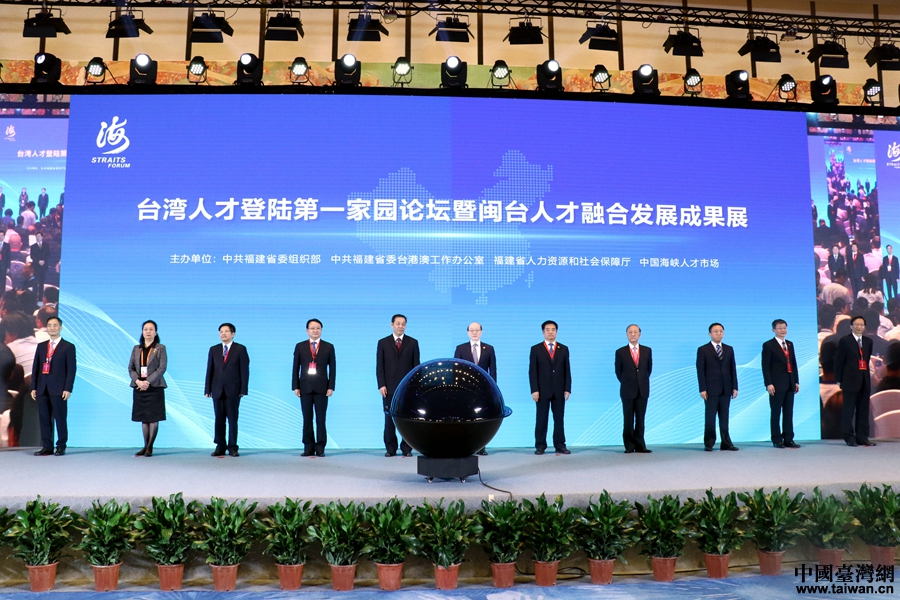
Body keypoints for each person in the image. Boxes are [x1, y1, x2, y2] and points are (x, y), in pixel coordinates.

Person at [30, 316, 75, 456]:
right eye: (49, 325)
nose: (52, 328)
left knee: (60, 418)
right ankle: (47, 446)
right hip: (42, 388)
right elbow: (36, 368)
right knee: (44, 419)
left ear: (60, 328)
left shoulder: (68, 347)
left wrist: (68, 388)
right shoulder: (41, 346)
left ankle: (61, 445)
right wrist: (33, 387)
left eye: (55, 325)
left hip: (59, 389)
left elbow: (71, 370)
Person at [376, 314, 419, 457]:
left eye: (403, 324)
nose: (401, 326)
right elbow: (380, 366)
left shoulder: (413, 343)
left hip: (407, 389)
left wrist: (414, 387)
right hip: (388, 388)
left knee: (407, 419)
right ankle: (390, 448)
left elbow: (416, 367)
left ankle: (406, 448)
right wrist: (381, 384)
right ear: (392, 325)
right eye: (398, 323)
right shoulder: (383, 343)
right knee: (389, 420)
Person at [292, 319, 336, 458]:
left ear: (321, 330)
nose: (315, 330)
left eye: (318, 328)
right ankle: (308, 447)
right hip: (304, 387)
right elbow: (295, 367)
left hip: (322, 388)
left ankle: (320, 447)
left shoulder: (328, 347)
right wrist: (295, 386)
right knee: (307, 418)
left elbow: (333, 369)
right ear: (307, 331)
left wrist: (331, 387)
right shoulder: (300, 346)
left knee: (321, 419)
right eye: (312, 328)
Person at [204, 323, 249, 457]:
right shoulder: (214, 349)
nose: (223, 334)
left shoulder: (240, 349)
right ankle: (220, 446)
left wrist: (243, 389)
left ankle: (233, 447)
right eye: (221, 331)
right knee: (219, 419)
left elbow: (244, 371)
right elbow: (210, 370)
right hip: (217, 389)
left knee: (232, 420)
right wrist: (207, 389)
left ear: (233, 334)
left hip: (234, 390)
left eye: (226, 331)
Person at [453, 321, 497, 456]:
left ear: (481, 332)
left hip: (483, 390)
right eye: (471, 330)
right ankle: (464, 445)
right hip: (465, 390)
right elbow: (455, 370)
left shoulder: (489, 349)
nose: (474, 333)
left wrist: (493, 388)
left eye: (477, 330)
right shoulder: (460, 348)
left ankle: (481, 446)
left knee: (481, 418)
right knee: (465, 418)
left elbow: (493, 370)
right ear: (467, 333)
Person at [529, 320, 571, 455]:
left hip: (559, 390)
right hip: (542, 391)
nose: (550, 332)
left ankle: (560, 445)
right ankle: (540, 445)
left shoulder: (563, 349)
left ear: (556, 332)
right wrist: (534, 390)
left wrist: (567, 388)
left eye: (553, 329)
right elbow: (532, 371)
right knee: (541, 419)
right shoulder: (536, 349)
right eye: (547, 330)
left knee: (559, 419)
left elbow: (567, 370)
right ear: (543, 332)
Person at [834, 315, 876, 447]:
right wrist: (839, 379)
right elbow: (839, 361)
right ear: (851, 326)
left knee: (863, 410)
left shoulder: (868, 342)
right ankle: (848, 437)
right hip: (849, 380)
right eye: (856, 324)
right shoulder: (845, 341)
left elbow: (866, 360)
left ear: (864, 327)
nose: (859, 327)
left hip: (864, 380)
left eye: (861, 325)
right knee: (849, 410)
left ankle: (862, 437)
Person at [696, 323, 739, 452]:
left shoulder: (729, 349)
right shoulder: (703, 350)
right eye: (716, 331)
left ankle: (726, 442)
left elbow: (733, 369)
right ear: (710, 334)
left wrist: (735, 387)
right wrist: (703, 389)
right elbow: (700, 371)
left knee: (724, 418)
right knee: (710, 417)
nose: (719, 333)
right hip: (711, 389)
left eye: (721, 331)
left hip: (726, 389)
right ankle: (709, 443)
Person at [128, 320, 167, 457]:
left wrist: (147, 382)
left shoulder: (160, 348)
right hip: (139, 387)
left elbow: (162, 368)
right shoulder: (136, 348)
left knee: (154, 418)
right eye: (145, 329)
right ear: (142, 332)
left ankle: (150, 447)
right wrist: (138, 381)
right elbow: (131, 368)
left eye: (151, 329)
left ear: (155, 332)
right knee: (144, 418)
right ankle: (145, 446)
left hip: (154, 387)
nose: (148, 332)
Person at [761, 319, 801, 449]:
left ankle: (789, 438)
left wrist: (796, 381)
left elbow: (793, 364)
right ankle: (777, 439)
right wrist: (769, 383)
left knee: (789, 413)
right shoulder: (768, 345)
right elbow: (765, 366)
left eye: (784, 328)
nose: (783, 330)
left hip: (790, 383)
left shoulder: (790, 344)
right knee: (776, 413)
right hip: (776, 385)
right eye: (780, 328)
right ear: (774, 330)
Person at [614, 324, 652, 454]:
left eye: (635, 332)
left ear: (640, 334)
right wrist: (628, 382)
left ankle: (640, 445)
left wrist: (640, 381)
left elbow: (648, 370)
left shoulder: (647, 350)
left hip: (643, 389)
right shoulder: (620, 352)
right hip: (627, 390)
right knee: (628, 419)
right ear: (626, 335)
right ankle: (629, 446)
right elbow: (618, 372)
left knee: (640, 419)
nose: (633, 334)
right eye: (630, 332)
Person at [30, 232, 49, 300]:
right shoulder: (33, 246)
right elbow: (32, 256)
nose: (37, 238)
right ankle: (34, 297)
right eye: (36, 237)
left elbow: (48, 254)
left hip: (43, 267)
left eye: (39, 236)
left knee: (41, 283)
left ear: (42, 237)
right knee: (35, 283)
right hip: (36, 267)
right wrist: (38, 261)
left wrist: (44, 261)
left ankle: (40, 297)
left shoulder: (46, 246)